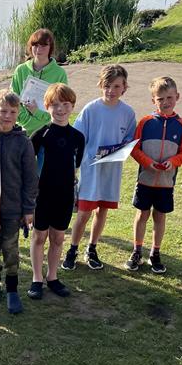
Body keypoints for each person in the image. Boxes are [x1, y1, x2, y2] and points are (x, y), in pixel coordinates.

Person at [62, 64, 136, 271]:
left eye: (116, 86)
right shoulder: (91, 109)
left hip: (111, 171)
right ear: (100, 85)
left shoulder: (128, 113)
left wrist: (120, 150)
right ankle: (73, 249)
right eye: (107, 86)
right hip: (90, 169)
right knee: (84, 212)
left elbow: (130, 140)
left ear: (124, 88)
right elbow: (77, 137)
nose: (111, 91)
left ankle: (92, 248)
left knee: (102, 210)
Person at [0, 89, 38, 314]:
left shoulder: (24, 142)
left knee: (11, 250)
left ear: (18, 113)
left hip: (13, 208)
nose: (7, 116)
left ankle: (12, 289)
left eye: (13, 112)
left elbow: (31, 178)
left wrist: (29, 208)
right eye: (3, 111)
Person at [125, 77, 182, 274]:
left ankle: (155, 252)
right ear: (153, 100)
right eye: (160, 98)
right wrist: (147, 162)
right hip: (145, 179)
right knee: (142, 215)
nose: (166, 102)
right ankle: (137, 251)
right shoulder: (145, 123)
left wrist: (174, 162)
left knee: (159, 217)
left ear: (177, 97)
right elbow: (134, 148)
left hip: (165, 182)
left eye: (169, 97)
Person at [27, 84, 85, 300]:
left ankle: (52, 277)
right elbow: (30, 168)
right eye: (55, 104)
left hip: (64, 195)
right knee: (39, 236)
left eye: (65, 104)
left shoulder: (78, 137)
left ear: (72, 107)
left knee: (58, 238)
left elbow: (75, 165)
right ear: (47, 106)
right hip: (42, 195)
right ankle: (36, 278)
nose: (60, 109)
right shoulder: (40, 135)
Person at [10, 28, 68, 136]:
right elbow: (13, 99)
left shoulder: (60, 74)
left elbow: (61, 106)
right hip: (22, 129)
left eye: (43, 46)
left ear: (50, 48)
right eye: (35, 45)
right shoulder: (20, 70)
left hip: (48, 130)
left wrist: (37, 113)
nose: (38, 50)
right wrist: (26, 120)